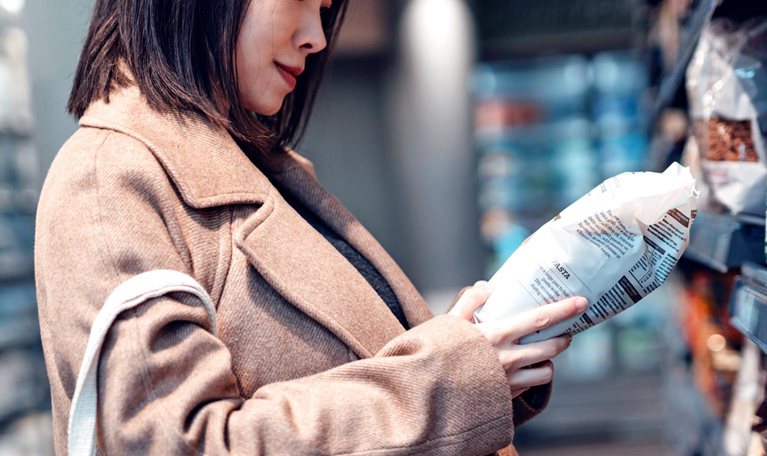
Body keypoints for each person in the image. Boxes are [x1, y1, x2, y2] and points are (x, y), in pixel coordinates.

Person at [34, 0, 587, 454]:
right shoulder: (109, 180)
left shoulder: (261, 168)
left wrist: (483, 355)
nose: (317, 37)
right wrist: (448, 382)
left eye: (326, 10)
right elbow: (176, 444)